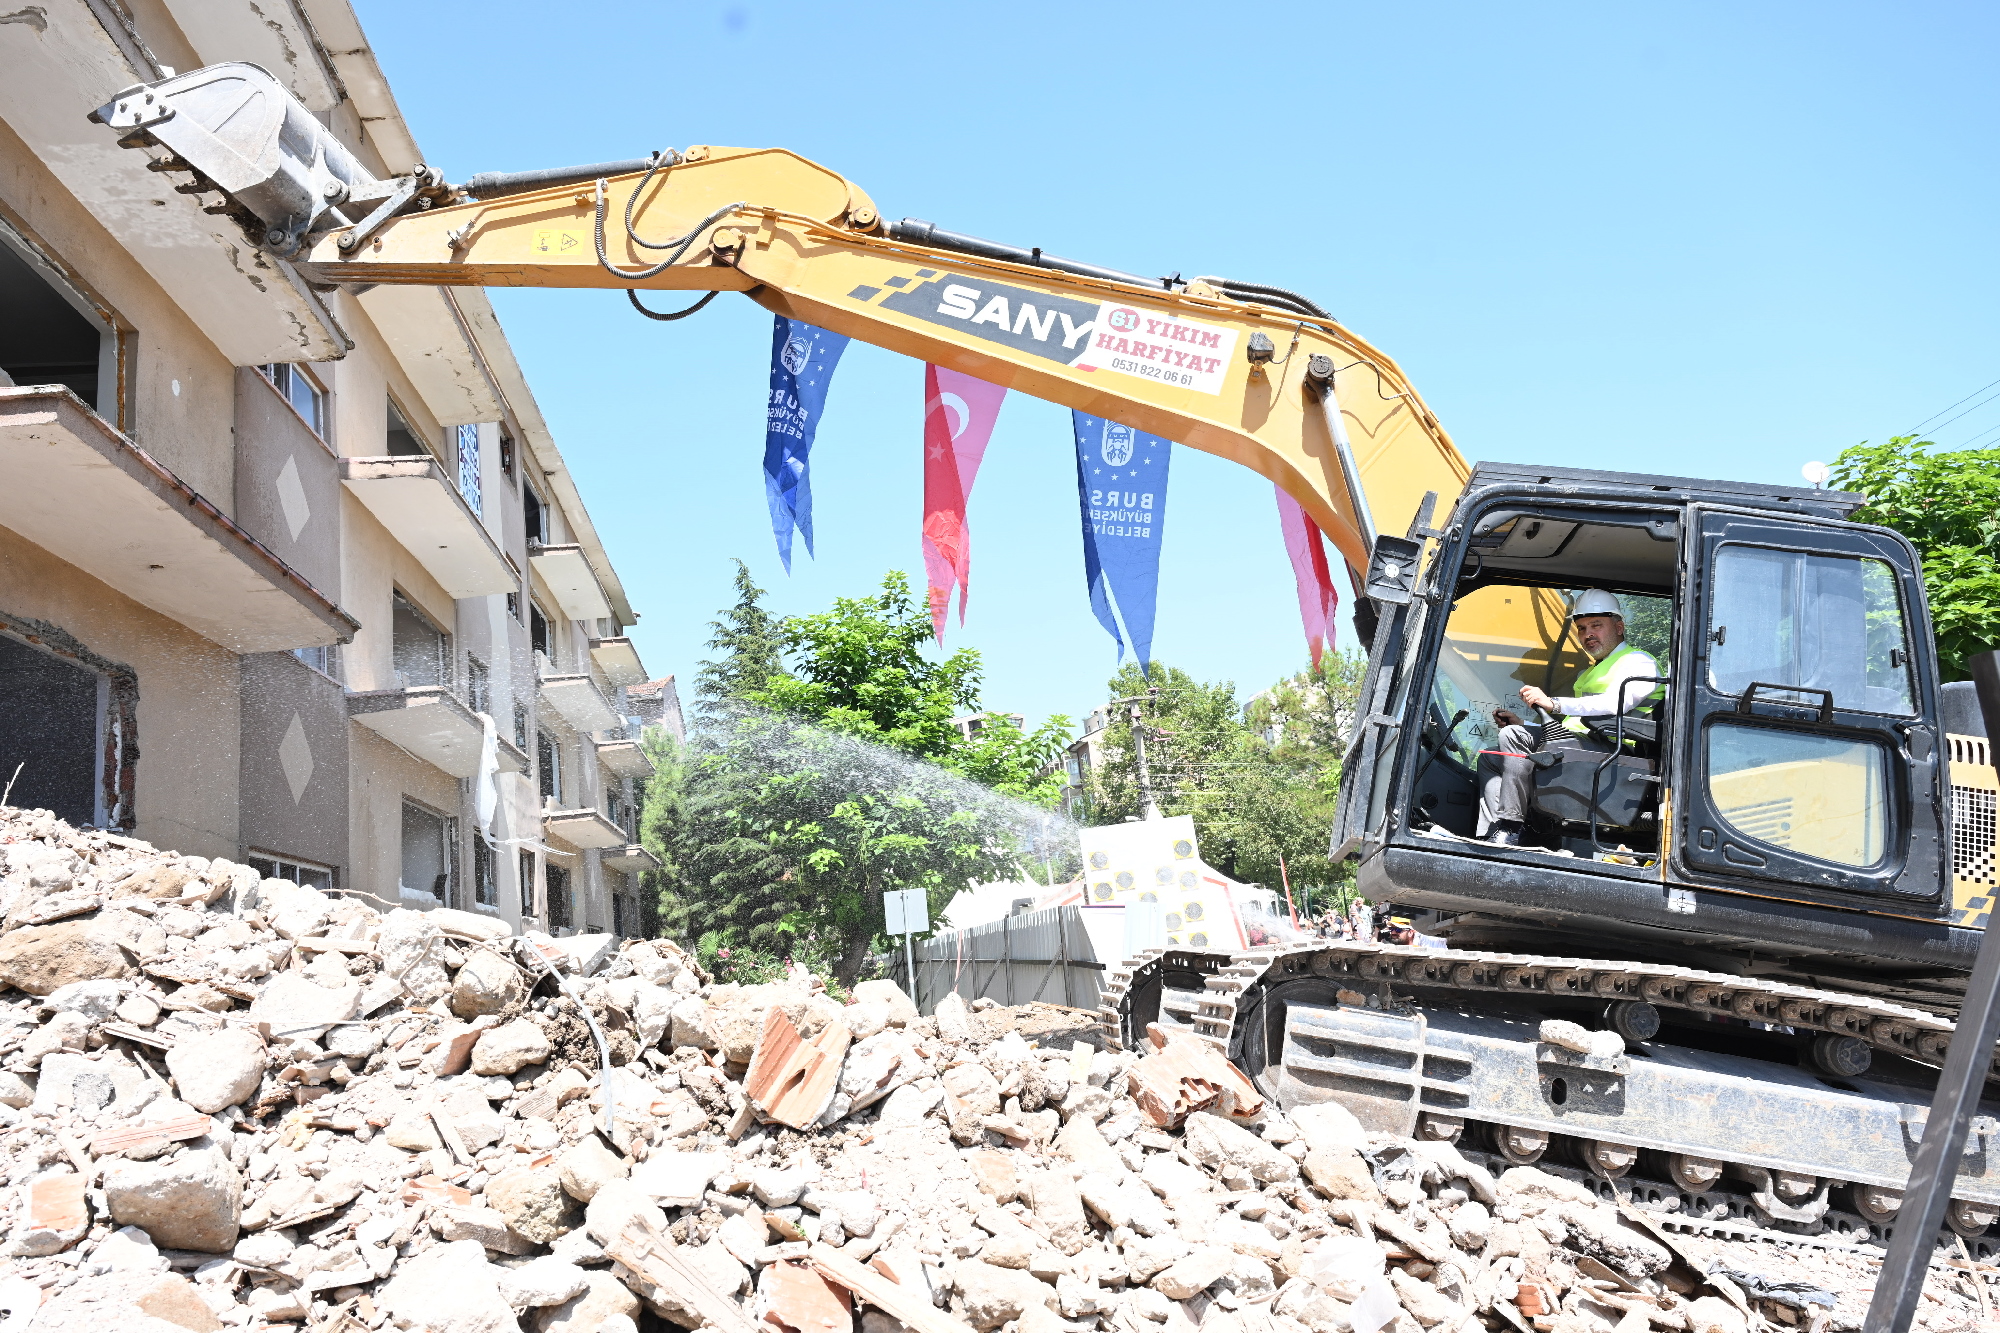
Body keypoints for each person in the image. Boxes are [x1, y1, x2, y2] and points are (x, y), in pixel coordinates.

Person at [1479, 589, 1664, 846]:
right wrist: (1524, 725)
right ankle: (1492, 836)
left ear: (1619, 627)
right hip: (1583, 746)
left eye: (1596, 625)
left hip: (1615, 753)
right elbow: (1571, 727)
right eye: (1581, 628)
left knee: (1513, 737)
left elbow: (1615, 704)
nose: (1588, 634)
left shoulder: (1639, 662)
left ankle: (1512, 827)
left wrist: (1554, 703)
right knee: (1492, 757)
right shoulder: (1590, 672)